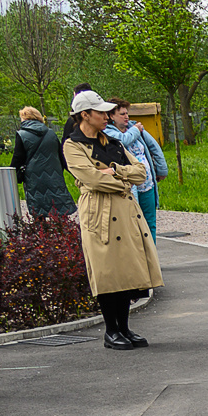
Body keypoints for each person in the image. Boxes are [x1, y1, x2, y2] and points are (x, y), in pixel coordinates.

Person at [62, 89, 161, 351]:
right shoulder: (73, 145)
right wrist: (117, 178)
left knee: (126, 269)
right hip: (99, 212)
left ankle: (125, 328)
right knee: (107, 271)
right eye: (101, 112)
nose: (106, 116)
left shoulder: (113, 143)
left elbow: (141, 172)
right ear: (85, 114)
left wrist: (114, 170)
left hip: (125, 210)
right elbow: (91, 178)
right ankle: (111, 331)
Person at [109, 100, 170, 240]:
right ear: (111, 116)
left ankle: (152, 256)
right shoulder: (108, 132)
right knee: (134, 225)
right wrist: (136, 130)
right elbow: (123, 140)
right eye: (122, 114)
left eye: (127, 113)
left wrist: (161, 170)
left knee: (150, 223)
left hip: (147, 184)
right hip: (130, 186)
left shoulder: (134, 127)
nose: (126, 117)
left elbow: (154, 147)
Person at [10, 106, 74, 221]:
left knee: (38, 209)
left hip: (34, 177)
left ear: (24, 119)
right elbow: (60, 155)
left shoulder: (22, 135)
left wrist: (11, 173)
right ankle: (63, 232)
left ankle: (41, 234)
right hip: (54, 175)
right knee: (58, 206)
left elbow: (18, 158)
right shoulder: (51, 133)